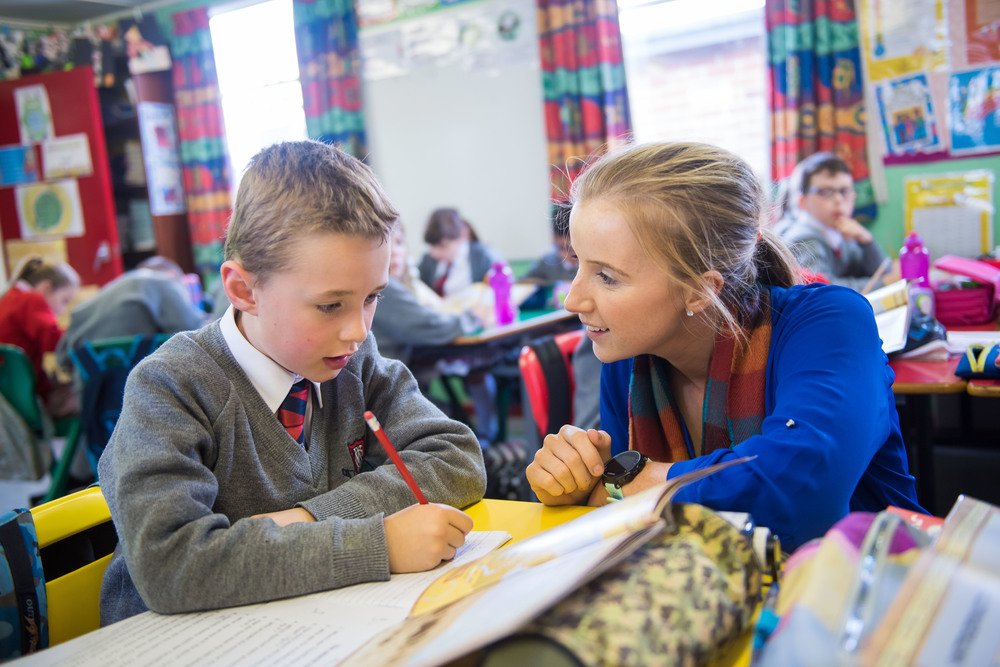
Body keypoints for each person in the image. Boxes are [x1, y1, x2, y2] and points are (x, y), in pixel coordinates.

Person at [98, 141, 487, 625]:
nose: (359, 329)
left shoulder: (351, 359)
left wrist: (306, 519)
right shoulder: (170, 386)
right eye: (330, 305)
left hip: (311, 627)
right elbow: (171, 565)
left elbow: (455, 458)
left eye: (372, 297)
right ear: (244, 290)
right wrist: (378, 543)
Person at [525, 142, 923, 551]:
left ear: (700, 291)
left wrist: (637, 482)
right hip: (711, 592)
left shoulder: (831, 322)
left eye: (607, 277)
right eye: (579, 266)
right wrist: (573, 481)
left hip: (869, 586)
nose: (573, 300)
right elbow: (615, 496)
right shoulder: (627, 356)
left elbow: (800, 494)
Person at [55, 255, 206, 368]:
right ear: (175, 278)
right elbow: (196, 335)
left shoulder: (109, 292)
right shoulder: (165, 282)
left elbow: (62, 359)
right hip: (142, 392)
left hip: (91, 395)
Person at [774, 152, 894, 291]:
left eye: (844, 191)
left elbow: (882, 272)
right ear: (802, 201)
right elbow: (822, 290)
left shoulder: (838, 229)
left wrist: (866, 241)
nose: (838, 200)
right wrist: (882, 284)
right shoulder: (804, 239)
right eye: (825, 192)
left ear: (853, 197)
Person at [372, 220, 483, 366]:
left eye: (398, 242)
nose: (394, 251)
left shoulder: (400, 283)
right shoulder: (382, 287)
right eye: (385, 244)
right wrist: (473, 318)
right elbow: (428, 324)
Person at [0, 256, 80, 416]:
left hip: (11, 392)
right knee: (88, 397)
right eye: (64, 300)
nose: (62, 310)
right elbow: (56, 341)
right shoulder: (30, 299)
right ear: (46, 288)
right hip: (25, 395)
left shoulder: (9, 297)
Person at [418, 207, 503, 296]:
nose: (435, 253)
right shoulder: (428, 260)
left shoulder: (484, 256)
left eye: (443, 246)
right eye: (432, 246)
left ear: (463, 235)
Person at [523, 203, 577, 285]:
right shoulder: (548, 261)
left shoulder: (588, 261)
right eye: (562, 248)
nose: (566, 255)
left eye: (571, 249)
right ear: (554, 238)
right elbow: (524, 281)